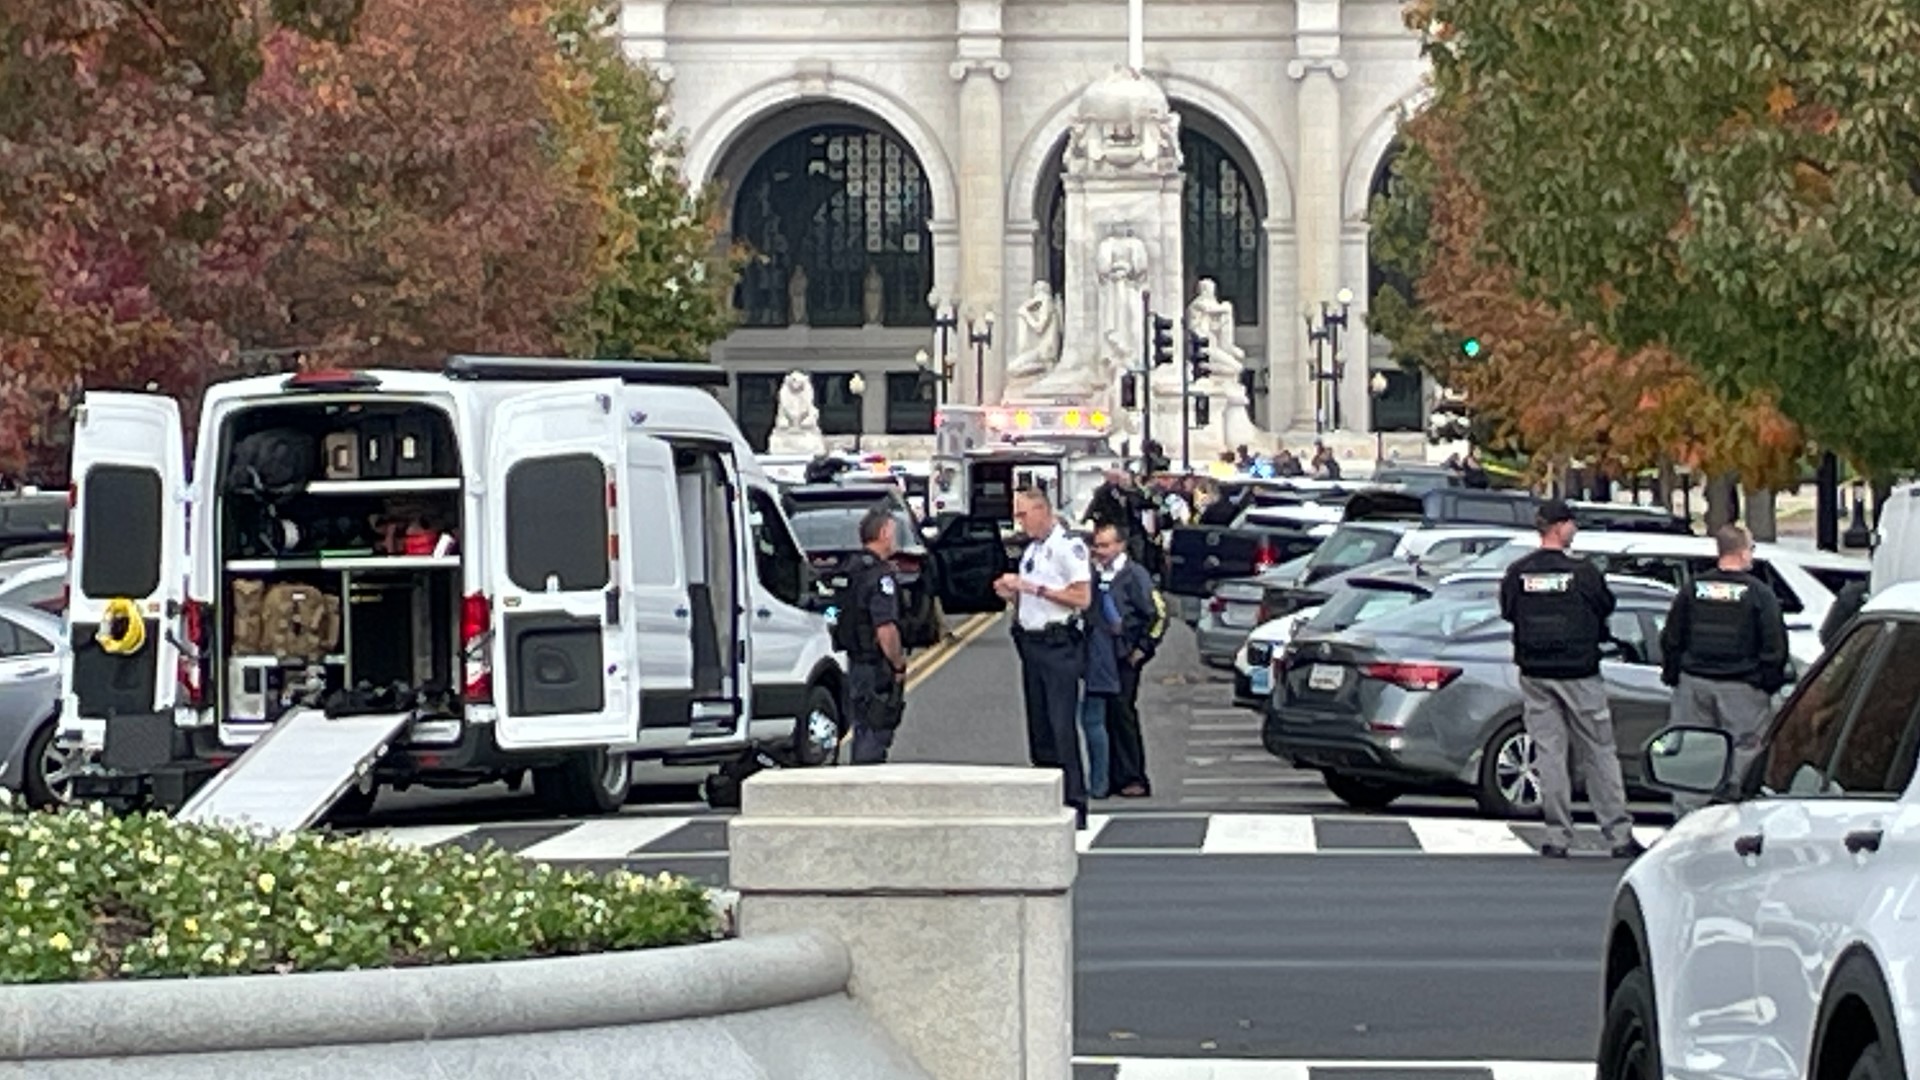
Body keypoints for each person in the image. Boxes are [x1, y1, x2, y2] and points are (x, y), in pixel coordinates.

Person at [1498, 499, 1644, 859]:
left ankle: (1557, 836)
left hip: (1535, 673)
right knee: (1599, 752)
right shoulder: (1584, 573)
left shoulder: (1518, 572)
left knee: (1549, 753)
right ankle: (1618, 834)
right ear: (1560, 527)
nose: (1574, 530)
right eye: (1571, 524)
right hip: (1580, 672)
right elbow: (1605, 606)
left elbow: (1508, 611)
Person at [1658, 524, 1789, 808]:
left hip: (1694, 683)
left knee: (1693, 751)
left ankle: (1688, 820)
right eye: (1751, 548)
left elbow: (1671, 636)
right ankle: (1735, 814)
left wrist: (1674, 675)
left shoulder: (1693, 589)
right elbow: (1774, 644)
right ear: (1742, 552)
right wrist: (1767, 683)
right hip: (1742, 687)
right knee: (1745, 750)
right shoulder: (1758, 593)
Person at [995, 487, 1093, 825]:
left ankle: (1074, 802)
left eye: (1023, 514)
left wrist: (1031, 588)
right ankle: (1049, 797)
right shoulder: (1033, 550)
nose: (1020, 523)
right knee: (1040, 729)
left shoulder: (1068, 547)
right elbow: (1034, 602)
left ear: (1042, 510)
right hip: (1031, 642)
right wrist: (1013, 596)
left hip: (1058, 645)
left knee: (1061, 724)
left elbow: (1082, 597)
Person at [1091, 523, 1162, 798]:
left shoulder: (1134, 575)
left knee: (1123, 714)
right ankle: (1109, 777)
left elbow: (1157, 614)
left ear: (1121, 545)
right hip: (1100, 655)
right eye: (1097, 546)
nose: (1101, 551)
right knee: (1103, 716)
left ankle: (1134, 776)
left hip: (1125, 654)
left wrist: (1143, 648)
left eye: (1106, 545)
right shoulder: (1097, 574)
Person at [839, 504, 910, 764]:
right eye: (893, 532)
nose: (894, 539)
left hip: (855, 662)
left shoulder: (851, 569)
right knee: (876, 728)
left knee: (862, 727)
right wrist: (897, 663)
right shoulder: (880, 577)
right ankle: (865, 787)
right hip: (875, 666)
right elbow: (885, 628)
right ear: (883, 533)